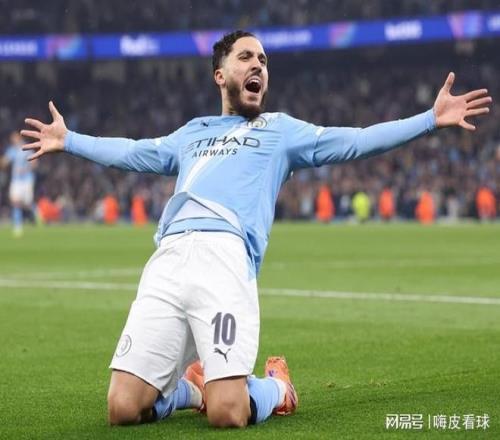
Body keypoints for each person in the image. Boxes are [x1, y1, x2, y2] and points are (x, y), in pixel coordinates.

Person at [21, 30, 491, 428]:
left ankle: (278, 387)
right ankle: (192, 390)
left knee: (228, 413)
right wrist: (70, 140)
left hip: (226, 259)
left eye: (263, 61)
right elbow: (132, 151)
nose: (259, 66)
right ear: (220, 74)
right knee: (123, 408)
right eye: (247, 57)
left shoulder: (281, 131)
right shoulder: (192, 132)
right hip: (168, 259)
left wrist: (430, 120)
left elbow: (356, 141)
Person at [1, 131, 37, 237]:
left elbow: (34, 163)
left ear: (19, 138)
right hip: (16, 180)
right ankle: (18, 226)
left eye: (14, 138)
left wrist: (25, 169)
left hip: (27, 180)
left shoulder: (27, 148)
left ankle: (37, 214)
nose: (13, 140)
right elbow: (5, 162)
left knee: (27, 203)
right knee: (15, 202)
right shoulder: (12, 150)